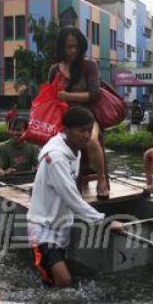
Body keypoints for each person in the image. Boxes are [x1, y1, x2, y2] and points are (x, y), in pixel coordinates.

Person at [27, 106, 123, 287]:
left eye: (89, 130)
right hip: (43, 228)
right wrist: (104, 222)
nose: (87, 135)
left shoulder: (75, 150)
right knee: (64, 281)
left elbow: (71, 192)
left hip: (62, 225)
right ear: (66, 129)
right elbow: (71, 197)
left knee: (52, 283)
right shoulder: (56, 157)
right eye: (81, 130)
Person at [49, 26, 109, 199]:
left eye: (76, 46)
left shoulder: (89, 65)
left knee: (90, 141)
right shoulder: (55, 70)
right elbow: (51, 96)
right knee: (50, 144)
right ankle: (57, 181)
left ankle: (101, 178)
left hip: (88, 118)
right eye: (69, 46)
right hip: (63, 119)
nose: (73, 50)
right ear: (62, 47)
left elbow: (95, 94)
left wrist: (67, 95)